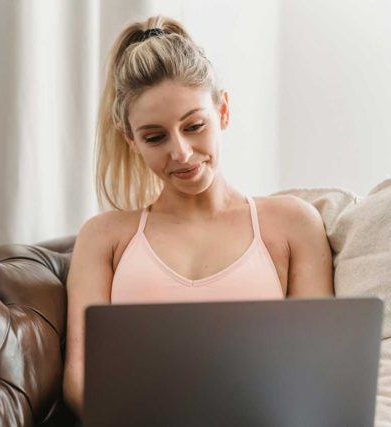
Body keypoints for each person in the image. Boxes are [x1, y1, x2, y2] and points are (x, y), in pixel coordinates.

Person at [62, 14, 335, 421]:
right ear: (131, 140)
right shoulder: (104, 237)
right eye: (155, 137)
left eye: (194, 126)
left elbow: (320, 363)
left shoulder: (293, 224)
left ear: (222, 111)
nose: (182, 153)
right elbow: (80, 377)